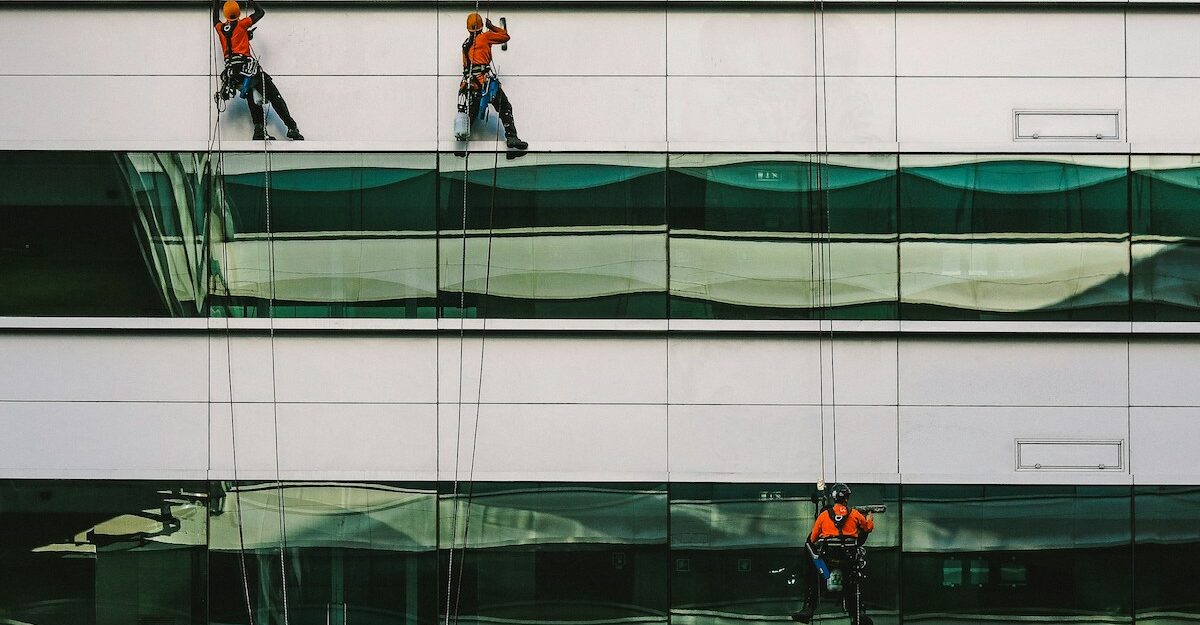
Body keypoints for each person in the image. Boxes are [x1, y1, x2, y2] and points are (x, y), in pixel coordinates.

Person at [213, 0, 303, 141]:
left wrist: (216, 3)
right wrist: (251, 0)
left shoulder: (220, 28)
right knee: (273, 95)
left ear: (225, 15)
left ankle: (259, 131)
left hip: (233, 74)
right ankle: (292, 127)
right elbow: (260, 13)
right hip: (247, 69)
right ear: (238, 14)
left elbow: (215, 20)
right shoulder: (242, 24)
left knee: (252, 97)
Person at [792, 483, 875, 625]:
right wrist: (869, 519)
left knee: (814, 575)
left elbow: (812, 539)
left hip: (826, 565)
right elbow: (867, 528)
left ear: (833, 498)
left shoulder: (824, 516)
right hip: (848, 563)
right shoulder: (855, 514)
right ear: (846, 499)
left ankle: (808, 609)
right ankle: (859, 613)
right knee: (853, 582)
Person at [457, 12, 527, 151]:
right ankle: (511, 137)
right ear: (481, 26)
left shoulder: (465, 44)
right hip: (484, 83)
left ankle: (461, 144)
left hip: (470, 84)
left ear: (468, 28)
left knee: (471, 113)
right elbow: (505, 36)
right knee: (505, 107)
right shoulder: (485, 37)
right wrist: (492, 26)